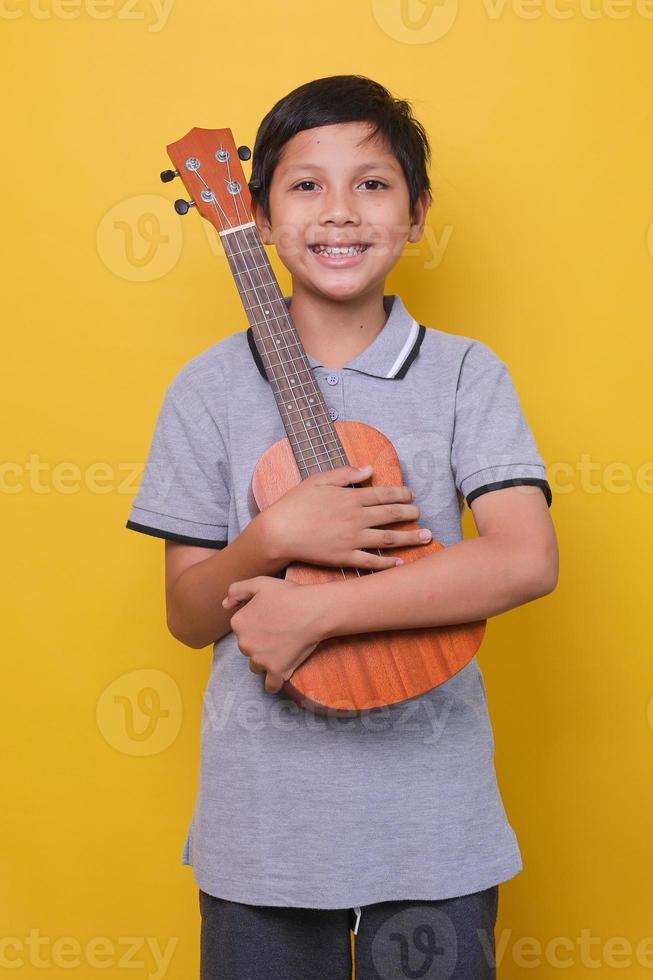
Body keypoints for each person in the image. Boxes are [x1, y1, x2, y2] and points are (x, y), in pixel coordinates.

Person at [126, 74, 558, 980]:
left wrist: (317, 614)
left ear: (416, 212)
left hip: (435, 823)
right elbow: (188, 613)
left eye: (371, 184)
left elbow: (523, 559)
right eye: (305, 184)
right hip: (265, 833)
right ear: (252, 211)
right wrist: (273, 536)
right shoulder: (205, 390)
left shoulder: (464, 375)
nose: (339, 212)